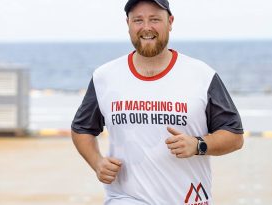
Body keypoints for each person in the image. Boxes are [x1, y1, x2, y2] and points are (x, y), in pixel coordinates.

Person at [71, 0, 244, 204]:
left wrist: (199, 144)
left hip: (187, 198)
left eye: (155, 19)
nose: (146, 27)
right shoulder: (105, 76)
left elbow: (234, 136)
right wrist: (97, 162)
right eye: (138, 20)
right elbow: (81, 128)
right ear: (128, 24)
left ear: (170, 22)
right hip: (125, 197)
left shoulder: (201, 75)